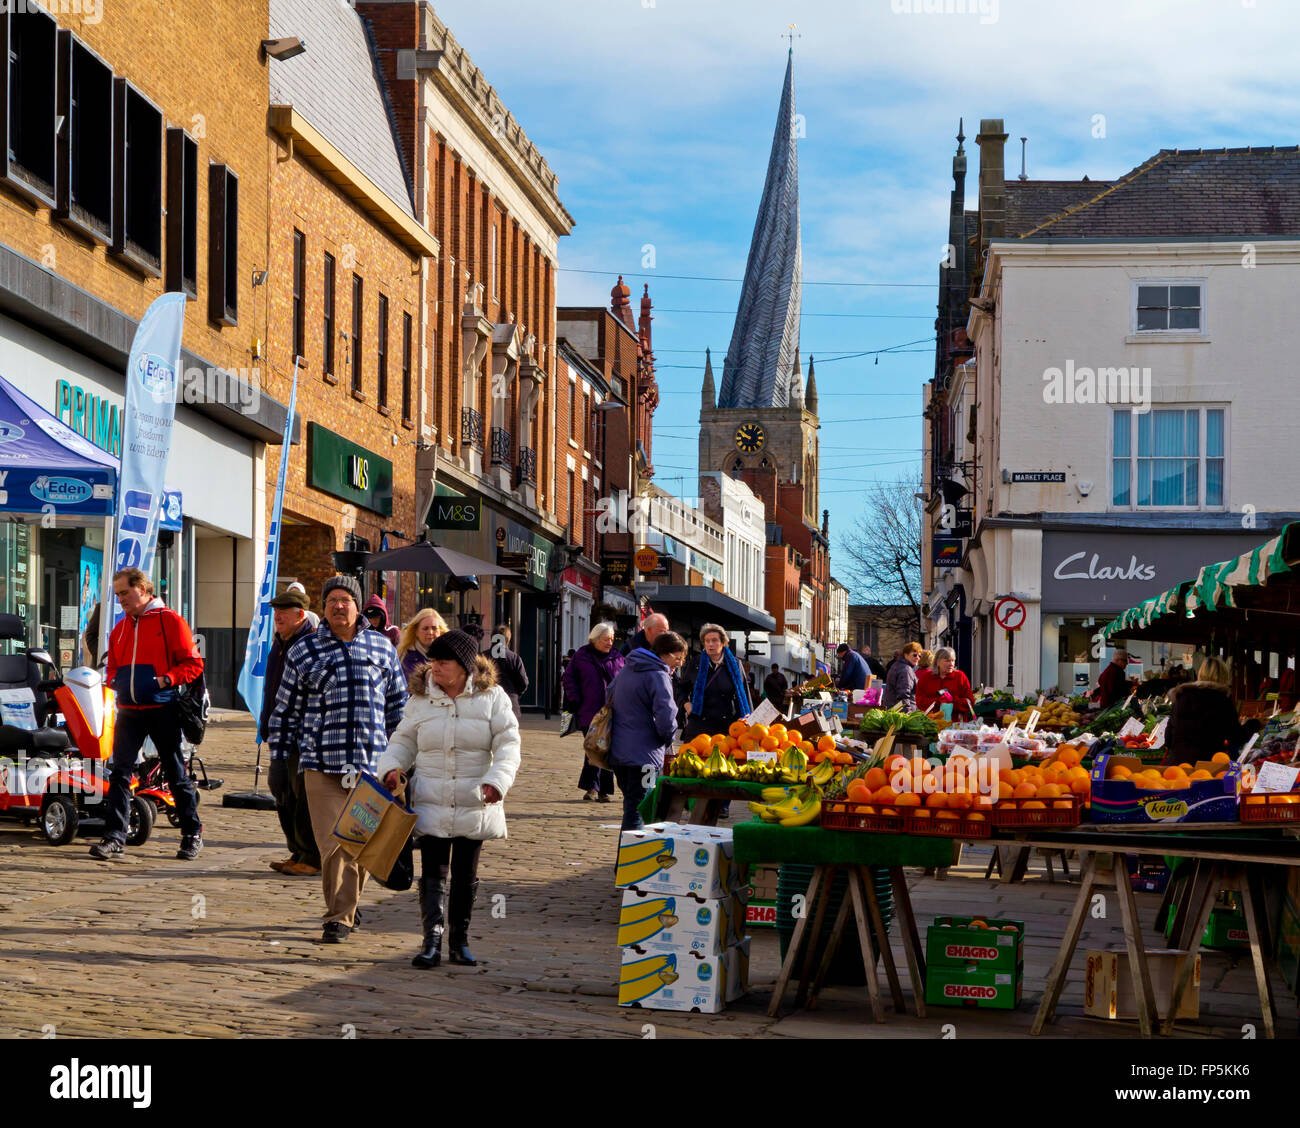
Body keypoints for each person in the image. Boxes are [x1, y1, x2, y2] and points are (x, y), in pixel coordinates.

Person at [268, 576, 407, 943]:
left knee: (360, 844)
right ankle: (339, 918)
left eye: (346, 599)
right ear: (323, 608)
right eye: (332, 600)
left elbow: (398, 708)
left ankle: (347, 902)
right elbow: (284, 712)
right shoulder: (304, 651)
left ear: (358, 606)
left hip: (371, 765)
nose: (339, 606)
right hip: (322, 764)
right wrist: (279, 761)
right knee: (335, 844)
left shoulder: (381, 648)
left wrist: (405, 760)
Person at [380, 629, 520, 969]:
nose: (435, 668)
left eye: (443, 663)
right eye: (433, 661)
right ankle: (432, 941)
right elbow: (402, 742)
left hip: (476, 799)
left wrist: (496, 782)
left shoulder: (494, 698)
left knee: (465, 873)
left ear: (464, 667)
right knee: (433, 870)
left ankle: (460, 941)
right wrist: (391, 768)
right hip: (430, 796)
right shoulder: (420, 700)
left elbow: (508, 745)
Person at [89, 568, 206, 861]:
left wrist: (165, 680)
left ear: (142, 588)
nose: (121, 600)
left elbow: (193, 664)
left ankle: (192, 833)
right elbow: (111, 665)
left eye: (125, 593)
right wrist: (113, 680)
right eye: (117, 595)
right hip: (128, 711)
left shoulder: (170, 621)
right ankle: (115, 836)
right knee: (119, 774)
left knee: (176, 774)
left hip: (161, 709)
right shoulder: (121, 628)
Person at [263, 588, 321, 877]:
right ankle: (297, 850)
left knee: (301, 799)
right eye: (275, 612)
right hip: (279, 730)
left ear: (300, 615)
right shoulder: (280, 642)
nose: (277, 617)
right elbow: (271, 691)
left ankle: (310, 855)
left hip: (301, 735)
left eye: (283, 613)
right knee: (282, 793)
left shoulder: (310, 644)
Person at [609, 631, 688, 831]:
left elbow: (608, 694)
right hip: (644, 755)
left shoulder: (628, 668)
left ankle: (627, 857)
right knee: (638, 809)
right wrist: (667, 737)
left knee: (631, 804)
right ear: (665, 653)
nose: (679, 664)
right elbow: (667, 715)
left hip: (619, 751)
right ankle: (631, 858)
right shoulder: (659, 675)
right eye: (677, 658)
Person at [563, 622, 625, 802]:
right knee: (593, 748)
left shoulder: (618, 659)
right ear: (595, 639)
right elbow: (568, 678)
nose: (609, 643)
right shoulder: (581, 656)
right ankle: (593, 787)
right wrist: (575, 698)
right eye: (606, 639)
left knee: (606, 749)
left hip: (611, 712)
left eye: (612, 639)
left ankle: (601, 789)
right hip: (588, 711)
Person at [1163, 656, 1258, 766]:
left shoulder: (1181, 697)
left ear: (1200, 673)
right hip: (1207, 767)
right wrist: (1254, 724)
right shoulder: (1222, 700)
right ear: (1224, 676)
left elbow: (1168, 738)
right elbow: (1236, 738)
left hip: (1176, 767)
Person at [681, 624, 753, 744]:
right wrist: (687, 704)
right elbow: (681, 688)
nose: (710, 644)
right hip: (700, 724)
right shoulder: (696, 662)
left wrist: (747, 718)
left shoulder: (735, 664)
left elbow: (744, 693)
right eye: (707, 641)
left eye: (714, 640)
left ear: (723, 643)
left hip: (726, 725)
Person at [916, 646, 974, 720]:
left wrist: (952, 701)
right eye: (947, 661)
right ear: (937, 662)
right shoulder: (926, 678)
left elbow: (970, 702)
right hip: (932, 725)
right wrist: (938, 701)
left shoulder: (960, 677)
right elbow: (920, 702)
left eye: (953, 660)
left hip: (956, 726)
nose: (951, 664)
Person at [487, 624, 529, 722]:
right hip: (510, 703)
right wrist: (515, 693)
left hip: (487, 704)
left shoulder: (482, 657)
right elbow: (523, 682)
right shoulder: (514, 658)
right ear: (508, 641)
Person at [397, 608, 448, 684]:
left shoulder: (449, 655)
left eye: (434, 628)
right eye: (425, 628)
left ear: (440, 631)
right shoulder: (405, 657)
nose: (430, 632)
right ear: (416, 632)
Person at [883, 641, 921, 710]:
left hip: (893, 709)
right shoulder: (906, 669)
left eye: (919, 656)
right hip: (900, 713)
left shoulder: (897, 665)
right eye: (914, 655)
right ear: (906, 655)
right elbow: (903, 694)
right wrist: (907, 712)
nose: (917, 658)